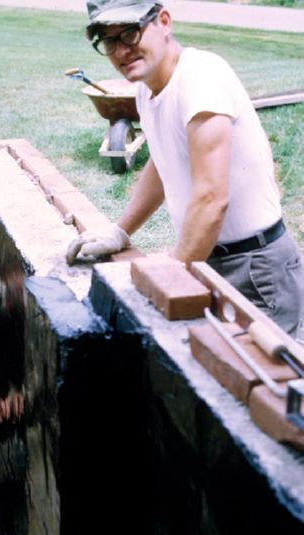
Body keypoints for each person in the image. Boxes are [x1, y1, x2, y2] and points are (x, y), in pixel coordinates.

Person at [67, 0, 303, 335]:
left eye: (131, 33)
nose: (121, 51)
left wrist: (175, 268)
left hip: (254, 268)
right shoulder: (146, 92)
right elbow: (163, 161)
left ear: (164, 22)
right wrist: (120, 231)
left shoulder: (200, 78)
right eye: (109, 41)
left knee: (266, 381)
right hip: (210, 257)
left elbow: (212, 198)